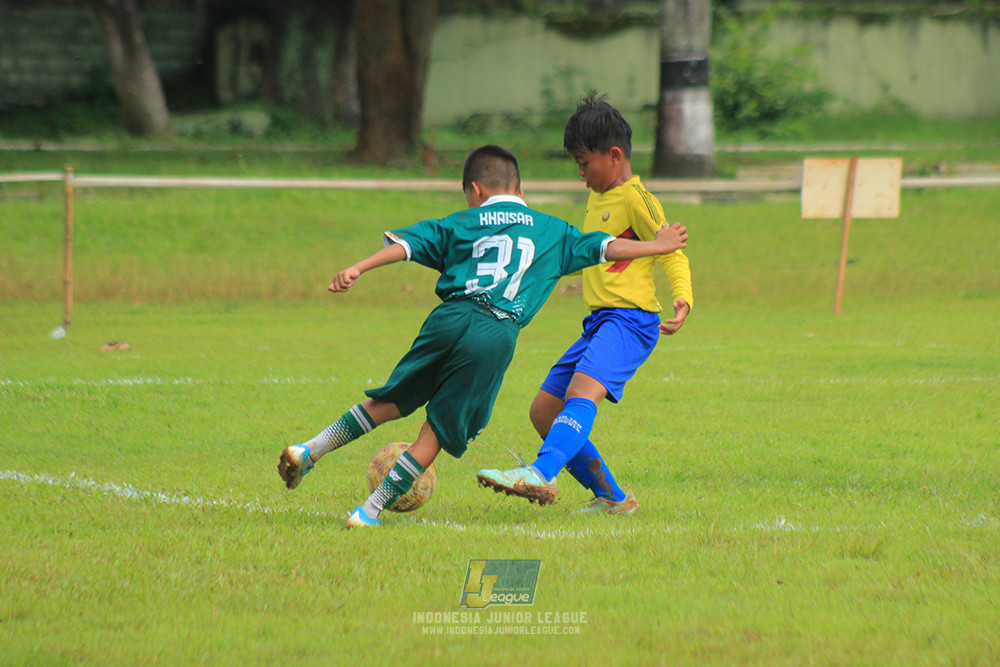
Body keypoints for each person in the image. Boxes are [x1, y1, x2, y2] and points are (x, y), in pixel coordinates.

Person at [276, 144, 689, 528]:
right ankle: (368, 511)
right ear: (520, 189)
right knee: (436, 430)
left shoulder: (464, 220)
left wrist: (358, 268)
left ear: (475, 191)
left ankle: (309, 449)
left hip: (449, 318)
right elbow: (608, 249)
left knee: (387, 401)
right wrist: (658, 246)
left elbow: (408, 245)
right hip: (495, 333)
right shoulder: (552, 231)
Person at [476, 93, 694, 515]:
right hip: (599, 323)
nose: (580, 173)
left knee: (580, 392)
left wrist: (683, 297)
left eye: (583, 162)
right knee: (543, 411)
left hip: (631, 321)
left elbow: (670, 250)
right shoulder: (598, 199)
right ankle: (613, 499)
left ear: (613, 156)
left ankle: (540, 473)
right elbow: (592, 252)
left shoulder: (637, 198)